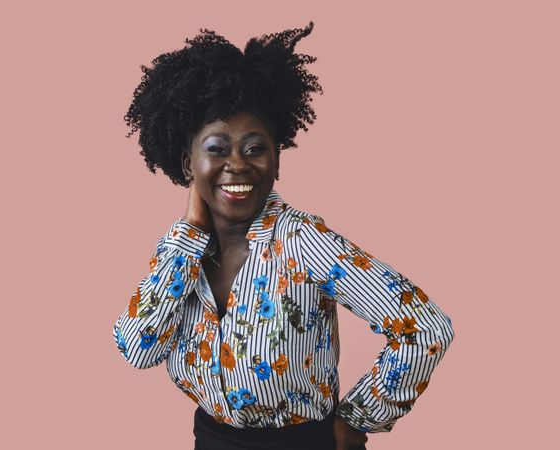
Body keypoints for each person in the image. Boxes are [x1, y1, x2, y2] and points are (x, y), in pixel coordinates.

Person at [113, 22, 455, 450]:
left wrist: (358, 419)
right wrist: (189, 235)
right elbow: (138, 349)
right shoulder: (182, 252)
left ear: (276, 162)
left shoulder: (302, 241)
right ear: (188, 164)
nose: (237, 164)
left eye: (255, 148)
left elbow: (426, 328)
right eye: (217, 149)